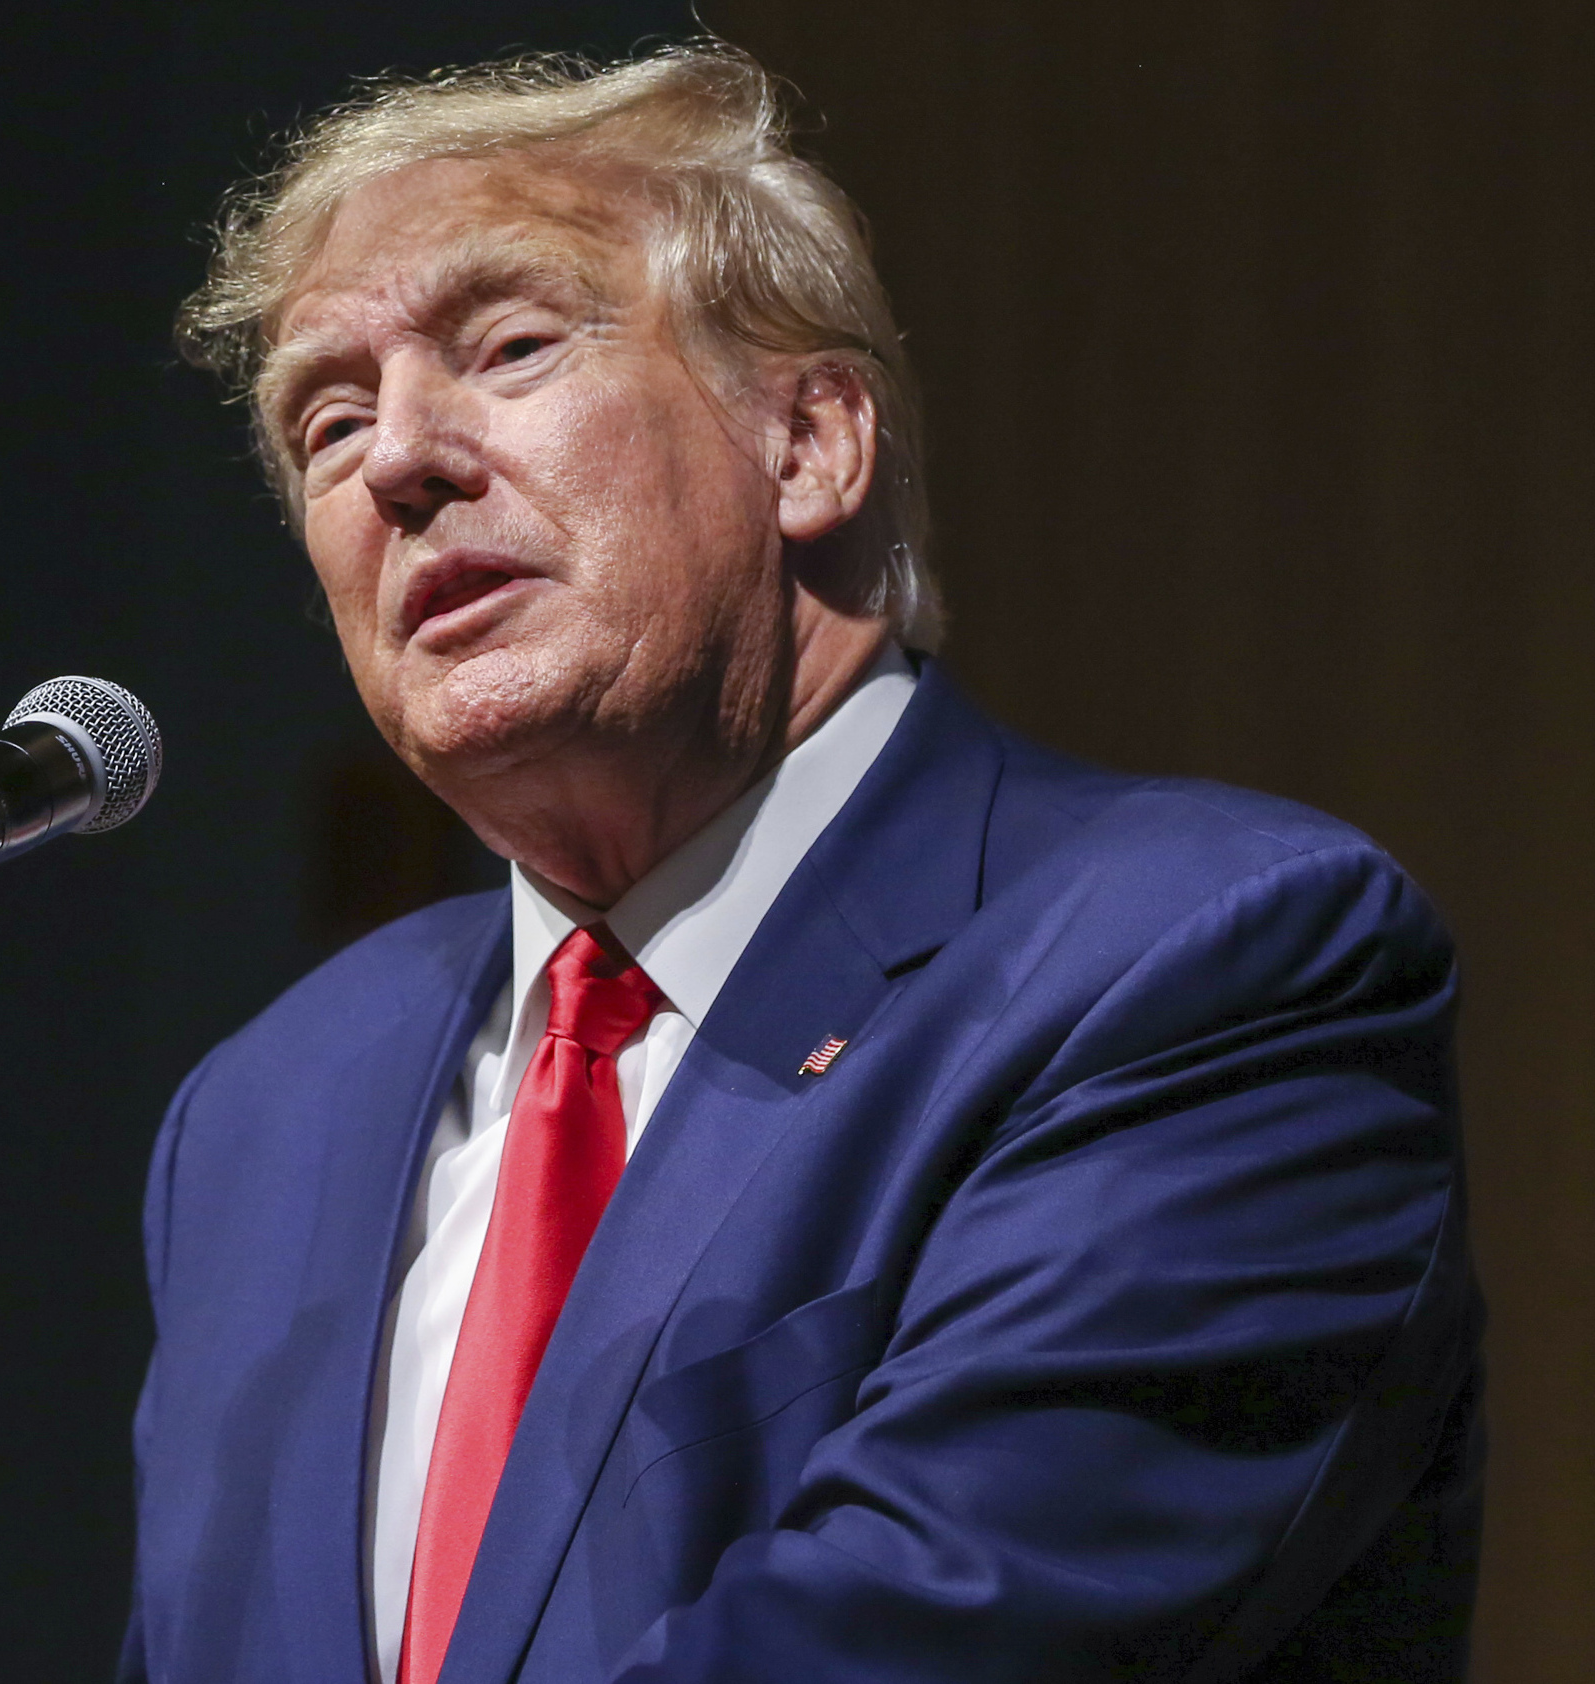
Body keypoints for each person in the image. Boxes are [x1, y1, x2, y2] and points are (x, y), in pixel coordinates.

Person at [125, 44, 1481, 1684]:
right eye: (327, 423)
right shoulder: (270, 1112)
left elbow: (943, 1631)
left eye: (512, 346)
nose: (398, 459)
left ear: (809, 442)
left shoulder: (1200, 961)